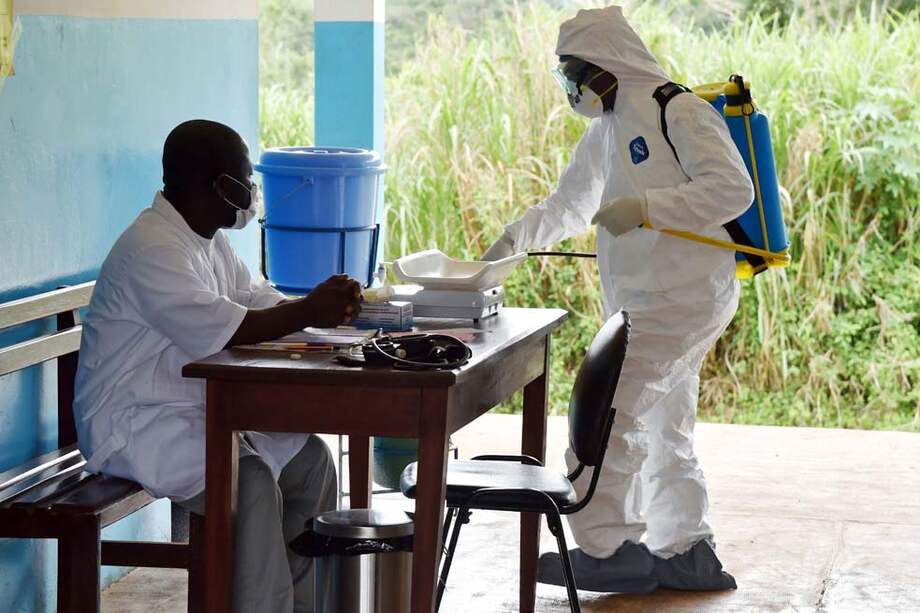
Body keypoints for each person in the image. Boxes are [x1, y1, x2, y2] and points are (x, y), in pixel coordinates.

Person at [482, 6, 753, 593]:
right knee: (662, 422)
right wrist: (511, 243)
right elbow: (568, 206)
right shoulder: (604, 132)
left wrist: (648, 208)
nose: (572, 87)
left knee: (609, 410)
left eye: (575, 72)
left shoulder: (676, 109)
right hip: (647, 300)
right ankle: (687, 551)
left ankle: (608, 548)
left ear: (608, 64)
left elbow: (733, 189)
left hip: (682, 297)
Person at [74, 119, 363, 612]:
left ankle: (307, 604)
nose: (251, 192)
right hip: (132, 423)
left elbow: (253, 298)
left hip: (187, 412)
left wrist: (329, 323)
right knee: (244, 478)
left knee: (311, 461)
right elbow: (227, 327)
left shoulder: (205, 239)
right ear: (215, 184)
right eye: (245, 180)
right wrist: (310, 310)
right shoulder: (153, 248)